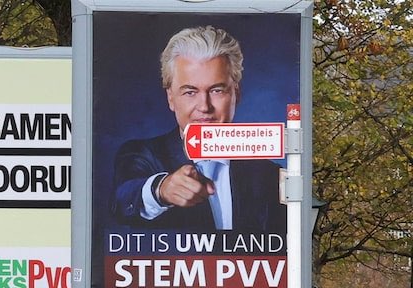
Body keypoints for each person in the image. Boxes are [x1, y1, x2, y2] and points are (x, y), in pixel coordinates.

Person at [109, 25, 285, 233]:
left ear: (236, 94)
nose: (204, 106)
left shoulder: (268, 175)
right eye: (190, 92)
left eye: (217, 90)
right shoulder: (141, 155)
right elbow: (123, 199)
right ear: (170, 98)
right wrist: (161, 190)